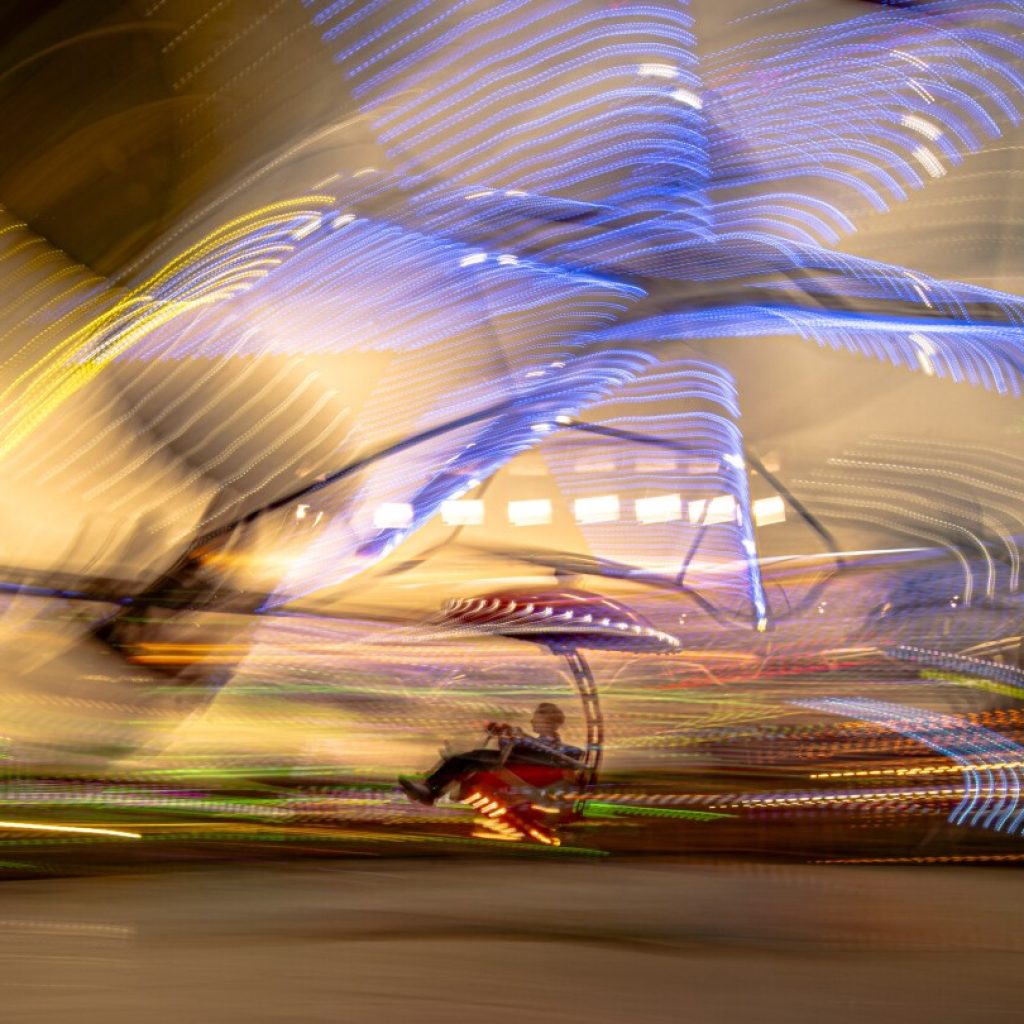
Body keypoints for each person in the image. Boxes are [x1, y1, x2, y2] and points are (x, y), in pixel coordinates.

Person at [398, 702, 583, 805]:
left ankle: (430, 790)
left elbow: (528, 747)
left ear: (549, 723)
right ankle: (430, 788)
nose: (533, 722)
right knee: (465, 760)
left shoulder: (551, 746)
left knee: (466, 759)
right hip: (516, 761)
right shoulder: (545, 744)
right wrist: (509, 734)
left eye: (537, 719)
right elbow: (525, 744)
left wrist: (511, 734)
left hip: (517, 765)